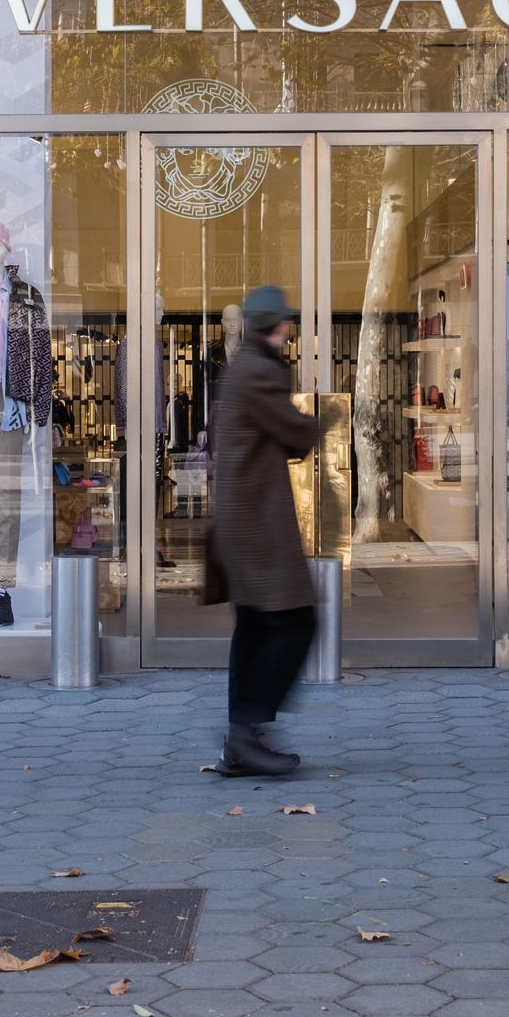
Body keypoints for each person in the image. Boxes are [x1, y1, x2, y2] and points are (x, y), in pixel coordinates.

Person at [208, 285, 325, 777]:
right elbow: (294, 434)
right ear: (274, 325)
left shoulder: (243, 368)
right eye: (287, 321)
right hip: (256, 527)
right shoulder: (258, 370)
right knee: (296, 623)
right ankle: (246, 730)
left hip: (241, 520)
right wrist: (329, 419)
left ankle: (244, 740)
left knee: (255, 628)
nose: (291, 327)